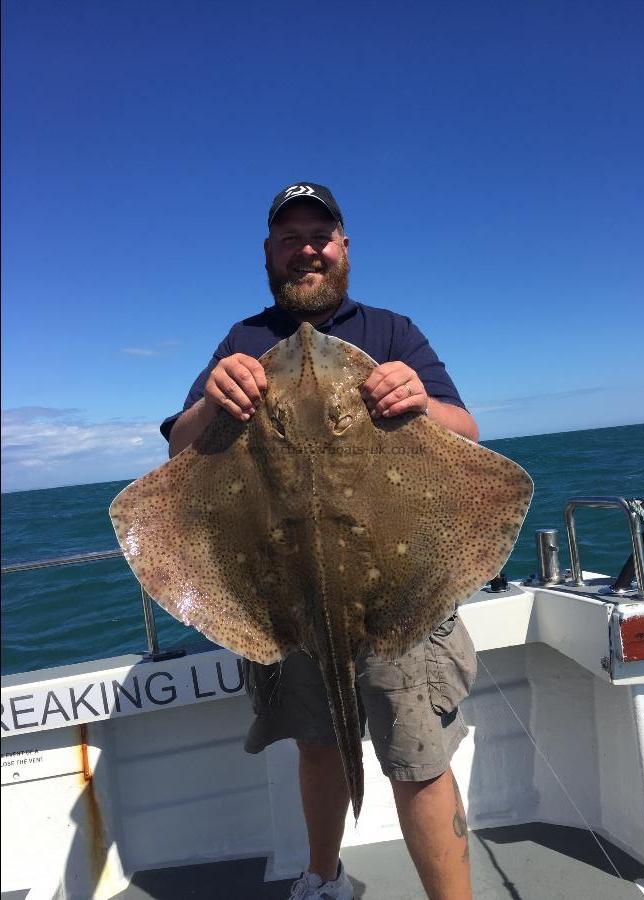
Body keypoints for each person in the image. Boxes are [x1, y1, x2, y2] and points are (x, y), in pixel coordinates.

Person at [161, 183, 479, 900]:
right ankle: (321, 876)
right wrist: (212, 398)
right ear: (269, 253)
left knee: (414, 753)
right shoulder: (242, 340)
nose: (305, 247)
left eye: (319, 234)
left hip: (396, 586)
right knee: (318, 739)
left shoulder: (392, 331)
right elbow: (177, 456)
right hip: (286, 590)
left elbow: (466, 437)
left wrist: (419, 399)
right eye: (288, 237)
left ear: (343, 247)